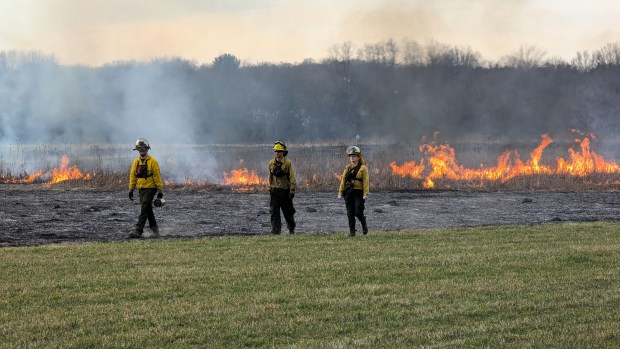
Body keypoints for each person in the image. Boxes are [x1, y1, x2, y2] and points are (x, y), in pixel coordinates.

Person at [128, 138, 164, 238]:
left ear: (147, 149)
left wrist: (160, 190)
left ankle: (138, 230)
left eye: (143, 148)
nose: (141, 150)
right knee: (147, 208)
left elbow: (157, 176)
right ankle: (155, 229)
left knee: (144, 207)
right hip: (141, 188)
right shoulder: (136, 162)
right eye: (139, 148)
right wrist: (131, 189)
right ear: (137, 150)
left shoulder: (153, 162)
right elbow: (133, 175)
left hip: (151, 188)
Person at [338, 146, 369, 236]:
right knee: (350, 213)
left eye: (354, 156)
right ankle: (352, 232)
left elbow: (366, 181)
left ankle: (363, 223)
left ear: (359, 157)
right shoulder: (347, 168)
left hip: (359, 193)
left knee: (358, 212)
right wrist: (340, 192)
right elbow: (343, 180)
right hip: (348, 193)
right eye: (351, 156)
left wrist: (365, 193)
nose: (352, 158)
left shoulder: (363, 168)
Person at [268, 141, 296, 234]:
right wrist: (270, 186)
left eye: (279, 151)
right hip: (275, 191)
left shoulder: (288, 163)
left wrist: (292, 189)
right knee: (274, 213)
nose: (277, 153)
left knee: (288, 213)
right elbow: (270, 177)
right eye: (275, 151)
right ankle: (275, 232)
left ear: (283, 152)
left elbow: (292, 177)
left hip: (285, 192)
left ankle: (291, 229)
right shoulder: (271, 163)